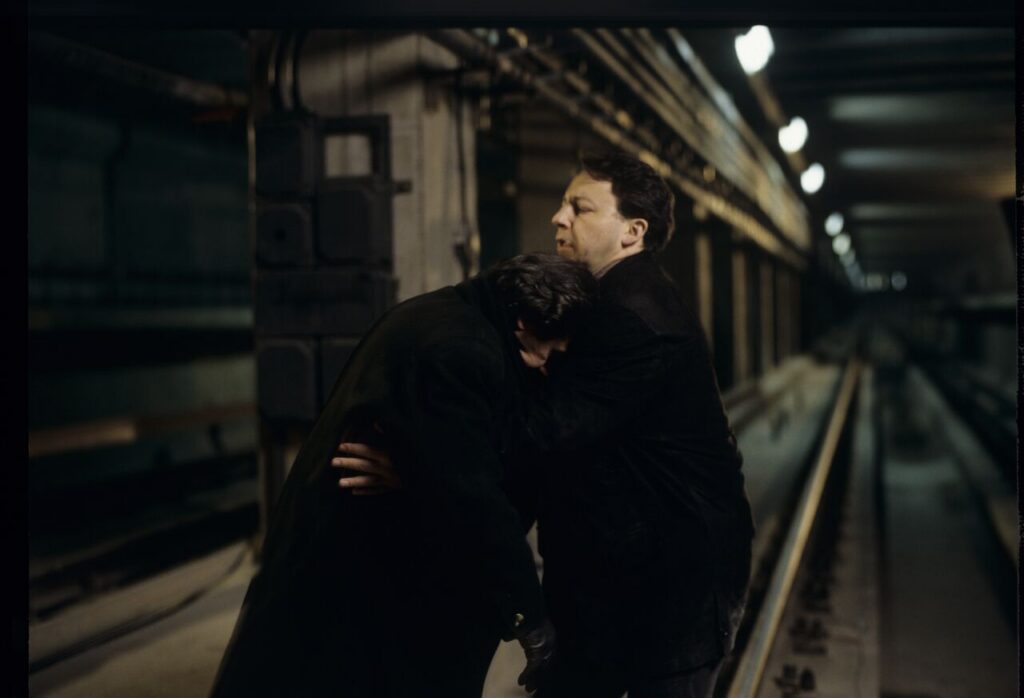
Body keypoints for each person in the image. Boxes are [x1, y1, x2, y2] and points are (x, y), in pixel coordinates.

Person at [338, 151, 755, 698]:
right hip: (620, 579)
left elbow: (541, 436)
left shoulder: (630, 315)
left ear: (632, 231)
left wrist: (422, 463)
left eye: (581, 208)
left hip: (669, 591)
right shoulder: (605, 301)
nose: (559, 217)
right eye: (562, 204)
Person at [210, 253, 597, 698]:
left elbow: (446, 461)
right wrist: (530, 616)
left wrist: (417, 468)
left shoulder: (442, 313)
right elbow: (472, 499)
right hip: (366, 577)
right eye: (549, 346)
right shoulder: (462, 350)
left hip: (356, 570)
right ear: (523, 321)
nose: (546, 361)